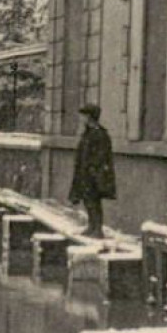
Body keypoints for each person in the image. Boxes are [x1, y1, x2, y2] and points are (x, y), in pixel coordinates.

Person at [70, 102, 117, 238]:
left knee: (94, 200)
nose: (81, 119)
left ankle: (97, 229)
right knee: (87, 200)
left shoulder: (99, 134)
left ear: (90, 117)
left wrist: (93, 169)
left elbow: (101, 155)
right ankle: (92, 226)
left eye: (83, 116)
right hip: (85, 173)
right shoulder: (88, 133)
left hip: (95, 174)